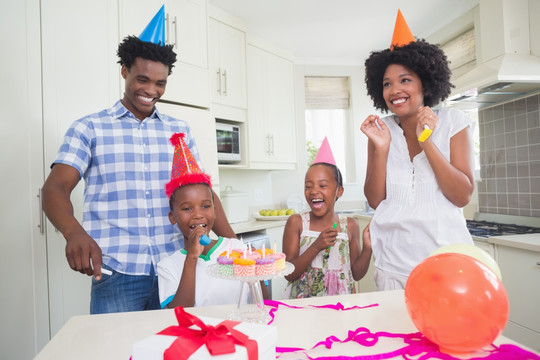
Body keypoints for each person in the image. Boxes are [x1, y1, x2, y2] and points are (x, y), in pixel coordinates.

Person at [41, 8, 235, 314]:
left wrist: (235, 245)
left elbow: (204, 194)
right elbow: (54, 189)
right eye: (142, 79)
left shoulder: (180, 130)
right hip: (117, 273)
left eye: (160, 83)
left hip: (179, 267)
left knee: (178, 347)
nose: (151, 90)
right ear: (124, 71)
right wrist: (74, 232)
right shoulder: (89, 128)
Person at [360, 10, 475, 291]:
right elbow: (376, 201)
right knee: (395, 335)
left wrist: (427, 141)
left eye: (405, 79)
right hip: (391, 263)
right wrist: (382, 148)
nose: (394, 89)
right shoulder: (380, 131)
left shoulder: (454, 122)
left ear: (425, 81)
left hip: (444, 261)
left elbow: (462, 196)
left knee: (444, 334)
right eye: (387, 83)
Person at [157, 133, 245, 308]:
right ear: (172, 217)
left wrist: (256, 269)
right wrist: (191, 258)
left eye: (205, 206)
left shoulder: (237, 249)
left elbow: (263, 301)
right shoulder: (167, 267)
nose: (198, 214)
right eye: (187, 208)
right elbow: (177, 313)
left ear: (215, 210)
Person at [282, 138, 372, 298]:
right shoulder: (297, 223)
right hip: (304, 307)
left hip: (341, 306)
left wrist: (368, 248)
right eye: (308, 186)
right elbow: (288, 273)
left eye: (322, 186)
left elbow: (356, 274)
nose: (314, 191)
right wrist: (316, 247)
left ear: (339, 191)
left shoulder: (349, 225)